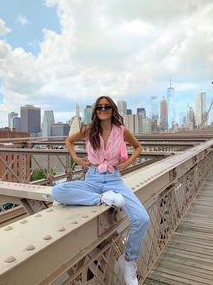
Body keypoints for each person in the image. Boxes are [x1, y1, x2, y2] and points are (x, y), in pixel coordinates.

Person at [52, 96, 150, 285]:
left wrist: (128, 162)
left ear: (112, 110)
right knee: (57, 192)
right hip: (93, 177)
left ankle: (129, 260)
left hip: (114, 180)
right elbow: (68, 141)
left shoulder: (121, 131)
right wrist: (77, 159)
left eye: (106, 107)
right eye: (99, 107)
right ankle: (103, 199)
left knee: (142, 219)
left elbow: (138, 147)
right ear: (95, 111)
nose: (103, 110)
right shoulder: (88, 130)